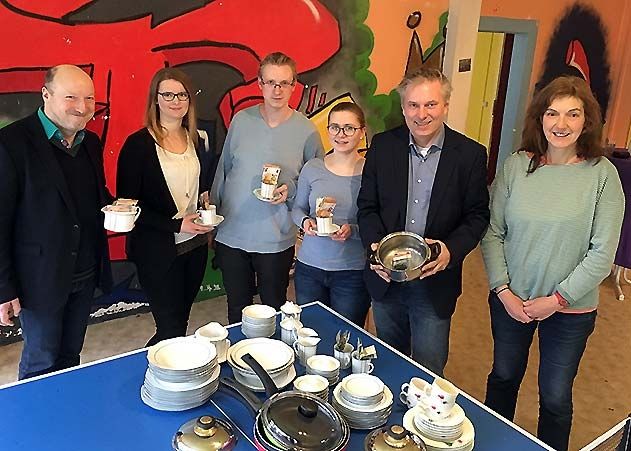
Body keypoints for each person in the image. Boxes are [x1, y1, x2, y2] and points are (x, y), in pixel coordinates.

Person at [480, 76, 624, 451]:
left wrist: (556, 300)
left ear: (587, 121)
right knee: (503, 377)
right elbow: (493, 233)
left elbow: (601, 255)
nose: (561, 124)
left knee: (556, 396)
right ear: (539, 118)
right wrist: (503, 291)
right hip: (512, 301)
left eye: (572, 114)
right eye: (552, 113)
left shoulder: (602, 176)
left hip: (570, 311)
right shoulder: (516, 166)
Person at [357, 68, 490, 376]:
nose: (421, 114)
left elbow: (478, 215)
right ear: (403, 108)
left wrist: (451, 251)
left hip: (435, 280)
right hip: (386, 278)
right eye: (413, 105)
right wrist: (374, 249)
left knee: (429, 368)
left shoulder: (469, 154)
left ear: (445, 106)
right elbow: (367, 207)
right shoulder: (383, 146)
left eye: (430, 104)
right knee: (389, 362)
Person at [0, 65, 113, 379]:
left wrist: (117, 207)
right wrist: (4, 288)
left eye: (89, 98)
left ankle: (64, 417)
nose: (82, 107)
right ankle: (35, 425)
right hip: (39, 279)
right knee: (41, 362)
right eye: (71, 97)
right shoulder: (10, 143)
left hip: (85, 272)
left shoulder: (89, 142)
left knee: (70, 355)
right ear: (46, 95)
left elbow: (95, 195)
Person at [211, 52, 324, 323]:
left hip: (276, 237)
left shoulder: (306, 130)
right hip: (232, 233)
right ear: (259, 84)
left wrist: (292, 190)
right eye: (271, 82)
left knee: (273, 306)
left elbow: (317, 181)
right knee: (237, 308)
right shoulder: (241, 120)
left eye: (284, 83)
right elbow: (224, 169)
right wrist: (212, 218)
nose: (277, 90)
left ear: (294, 86)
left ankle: (272, 363)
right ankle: (241, 360)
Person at [117, 68, 214, 346]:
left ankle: (167, 375)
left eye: (182, 94)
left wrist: (204, 203)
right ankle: (155, 379)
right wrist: (176, 224)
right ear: (155, 99)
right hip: (158, 251)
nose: (175, 100)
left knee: (180, 322)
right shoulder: (138, 145)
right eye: (168, 94)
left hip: (194, 247)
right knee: (169, 326)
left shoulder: (198, 139)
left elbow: (199, 185)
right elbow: (128, 206)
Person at [291, 102, 370, 326]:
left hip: (351, 272)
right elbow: (297, 209)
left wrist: (352, 231)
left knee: (345, 336)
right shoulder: (313, 167)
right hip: (309, 268)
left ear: (362, 132)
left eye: (349, 128)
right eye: (334, 127)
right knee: (310, 334)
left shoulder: (371, 172)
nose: (341, 134)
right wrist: (305, 222)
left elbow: (378, 222)